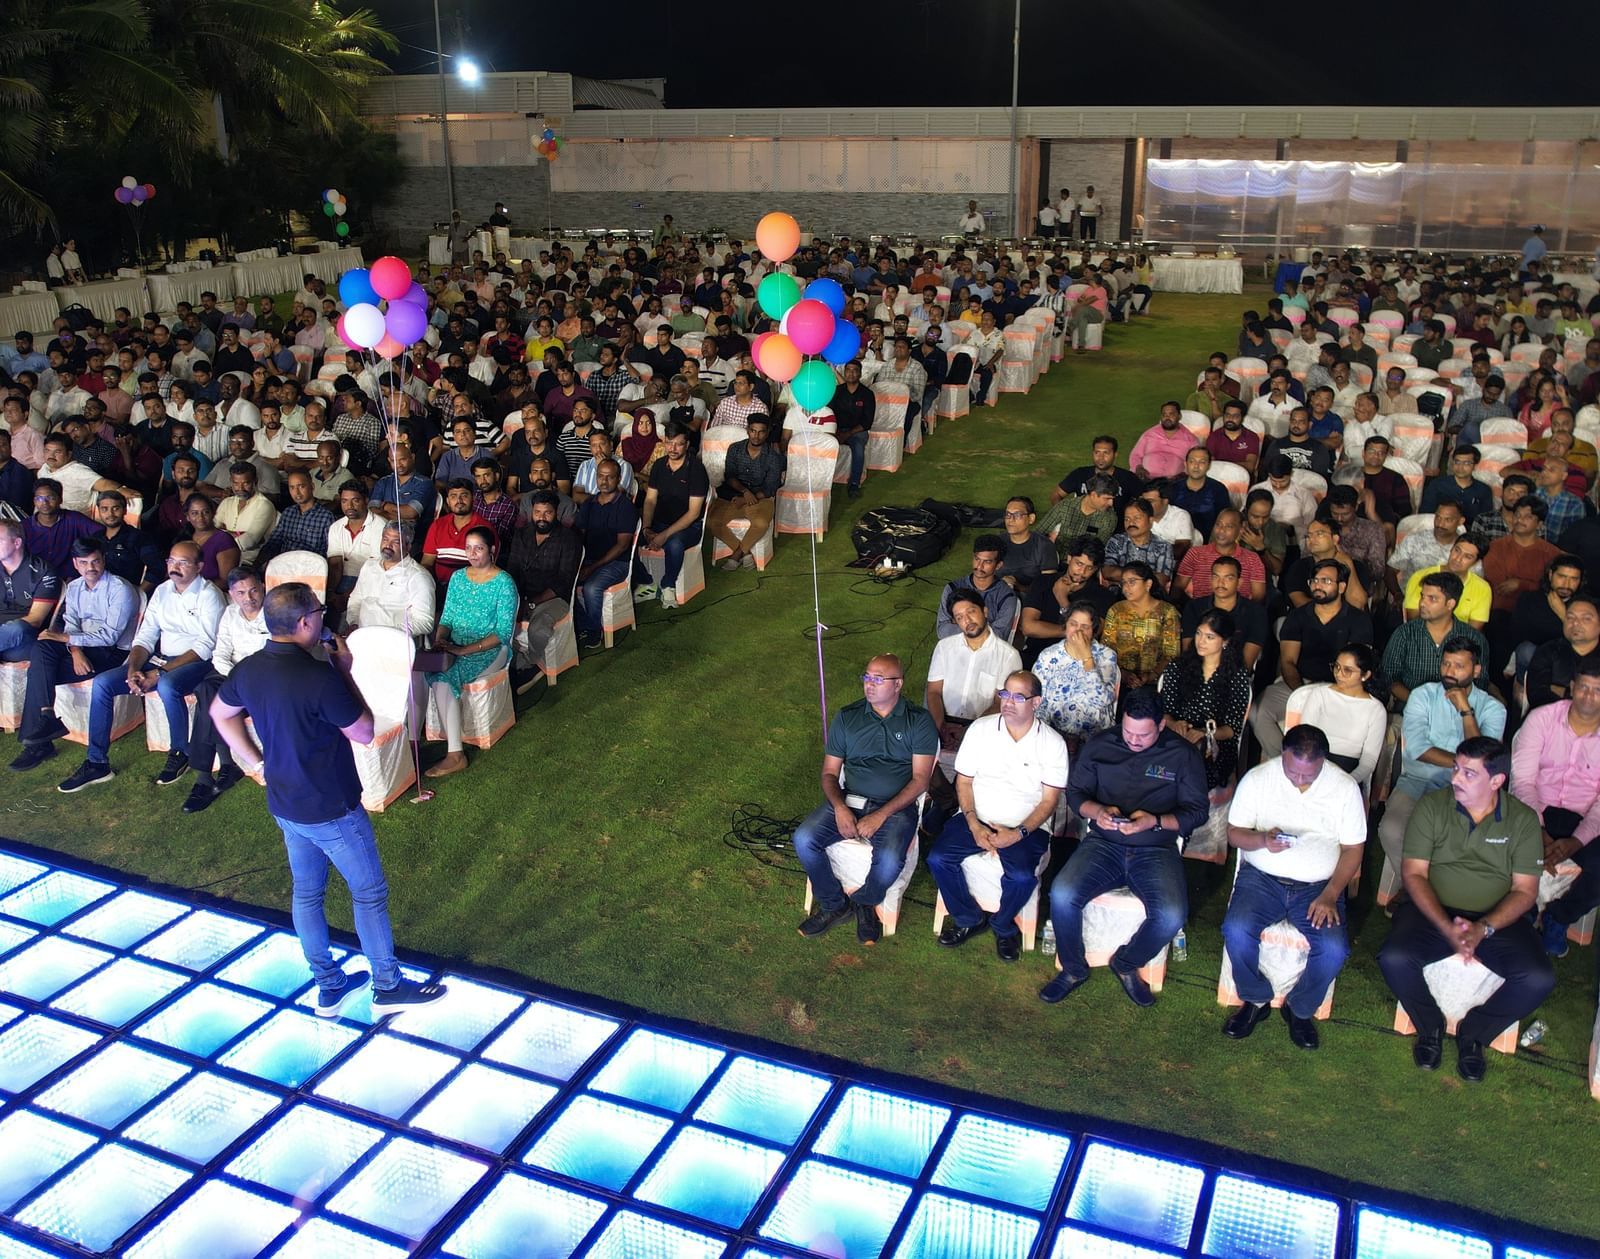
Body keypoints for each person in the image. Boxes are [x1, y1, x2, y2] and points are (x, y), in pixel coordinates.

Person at [210, 582, 446, 1017]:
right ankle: (388, 986)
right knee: (369, 893)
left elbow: (219, 714)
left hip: (285, 802)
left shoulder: (248, 669)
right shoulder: (319, 677)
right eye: (318, 612)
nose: (322, 618)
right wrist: (344, 671)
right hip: (331, 806)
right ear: (304, 623)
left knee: (307, 894)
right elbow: (364, 730)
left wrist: (254, 763)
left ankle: (330, 986)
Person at [1377, 736, 1553, 1082]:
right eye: (1456, 768)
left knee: (1537, 978)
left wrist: (1482, 928)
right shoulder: (1432, 806)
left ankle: (1474, 1035)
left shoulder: (1522, 819)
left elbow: (1524, 891)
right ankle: (1429, 1027)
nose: (1456, 777)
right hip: (1434, 911)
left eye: (1469, 773)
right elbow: (1413, 874)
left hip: (1497, 919)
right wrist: (1446, 927)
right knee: (1394, 958)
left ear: (1497, 781)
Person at [1040, 688, 1207, 1007]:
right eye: (1128, 731)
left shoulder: (1182, 754)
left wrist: (1155, 822)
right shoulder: (1101, 744)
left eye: (1143, 735)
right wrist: (1097, 812)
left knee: (1171, 914)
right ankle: (1073, 969)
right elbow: (1076, 793)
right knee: (1062, 894)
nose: (1133, 740)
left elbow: (1196, 812)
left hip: (1155, 848)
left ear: (1160, 726)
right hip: (1104, 842)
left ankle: (1127, 962)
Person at [1222, 724, 1366, 1049]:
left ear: (1323, 764)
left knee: (1333, 949)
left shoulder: (1344, 788)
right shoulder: (1259, 778)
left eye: (1308, 776)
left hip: (1317, 886)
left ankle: (1300, 1009)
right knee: (1236, 928)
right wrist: (1261, 840)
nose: (1299, 781)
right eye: (1293, 772)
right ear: (1282, 755)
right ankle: (1255, 999)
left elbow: (1354, 848)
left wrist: (1331, 894)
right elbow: (1234, 833)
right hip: (1262, 879)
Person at [57, 540, 225, 793]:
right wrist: (133, 668)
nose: (174, 567)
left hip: (198, 661)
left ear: (199, 566)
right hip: (161, 656)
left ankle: (180, 751)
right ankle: (97, 762)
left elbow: (206, 646)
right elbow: (146, 635)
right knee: (104, 683)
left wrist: (157, 673)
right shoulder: (163, 590)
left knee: (168, 685)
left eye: (183, 562)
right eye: (171, 561)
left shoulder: (209, 595)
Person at [794, 655, 938, 945]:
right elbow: (829, 773)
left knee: (888, 859)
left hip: (896, 808)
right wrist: (839, 807)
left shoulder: (918, 721)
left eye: (878, 679)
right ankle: (835, 905)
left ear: (898, 684)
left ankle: (864, 903)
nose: (869, 685)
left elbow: (921, 779)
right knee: (803, 838)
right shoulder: (848, 717)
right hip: (851, 799)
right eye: (867, 677)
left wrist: (881, 815)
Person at [927, 669, 1069, 962]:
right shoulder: (981, 729)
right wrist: (973, 824)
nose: (1008, 702)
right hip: (976, 816)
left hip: (1026, 827)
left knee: (1020, 877)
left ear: (1036, 702)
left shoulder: (1052, 743)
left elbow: (1049, 801)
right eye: (1005, 694)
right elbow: (963, 782)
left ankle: (1003, 925)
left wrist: (1017, 834)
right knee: (938, 858)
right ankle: (967, 918)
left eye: (1019, 696)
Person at [1378, 637, 1507, 882]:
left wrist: (1466, 711)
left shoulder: (1493, 709)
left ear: (1476, 670)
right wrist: (1466, 766)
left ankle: (1424, 890)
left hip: (1465, 788)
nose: (1449, 671)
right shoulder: (1422, 695)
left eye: (1459, 666)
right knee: (1391, 829)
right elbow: (1418, 749)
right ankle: (1417, 887)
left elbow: (1483, 758)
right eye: (1446, 664)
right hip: (1416, 779)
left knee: (1451, 838)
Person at [7, 538, 136, 772]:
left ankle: (38, 744)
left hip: (112, 653)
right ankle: (46, 717)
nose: (90, 568)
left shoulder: (120, 589)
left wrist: (68, 640)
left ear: (103, 560)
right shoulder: (75, 587)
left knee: (40, 672)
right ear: (76, 564)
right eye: (84, 563)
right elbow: (71, 624)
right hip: (82, 647)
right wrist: (75, 650)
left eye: (96, 561)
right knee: (41, 648)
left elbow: (109, 637)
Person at [421, 525, 517, 778]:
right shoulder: (458, 577)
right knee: (424, 666)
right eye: (468, 548)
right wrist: (441, 640)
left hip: (490, 648)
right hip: (455, 644)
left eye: (479, 548)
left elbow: (503, 633)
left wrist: (463, 650)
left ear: (492, 550)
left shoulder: (504, 582)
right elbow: (448, 616)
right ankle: (420, 737)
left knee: (445, 674)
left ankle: (455, 755)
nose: (473, 554)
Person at [1254, 558, 1374, 760]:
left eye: (1326, 581)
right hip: (1298, 685)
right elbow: (1288, 662)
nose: (1318, 585)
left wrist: (1330, 694)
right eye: (1314, 580)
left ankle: (1320, 769)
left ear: (1342, 587)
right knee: (1258, 712)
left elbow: (1356, 667)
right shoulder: (1298, 617)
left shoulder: (1358, 619)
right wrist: (1303, 693)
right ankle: (1286, 763)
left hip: (1340, 689)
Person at [178, 566, 271, 813]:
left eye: (253, 590)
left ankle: (205, 777)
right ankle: (223, 768)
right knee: (207, 688)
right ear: (231, 594)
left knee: (210, 697)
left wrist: (241, 681)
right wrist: (233, 678)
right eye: (241, 593)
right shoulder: (230, 613)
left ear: (262, 587)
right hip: (231, 674)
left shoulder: (273, 613)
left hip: (262, 678)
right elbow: (220, 653)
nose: (248, 598)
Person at [1157, 609, 1251, 791]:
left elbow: (1232, 729)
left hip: (1215, 743)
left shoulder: (1236, 676)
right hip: (1177, 735)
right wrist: (1175, 724)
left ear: (1225, 641)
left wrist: (1204, 733)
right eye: (1199, 634)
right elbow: (1165, 711)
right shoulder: (1177, 667)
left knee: (1195, 766)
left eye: (1210, 637)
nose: (1201, 641)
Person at [1382, 571, 1492, 707]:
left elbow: (1480, 683)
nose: (1422, 603)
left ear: (1450, 604)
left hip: (1458, 713)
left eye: (1432, 599)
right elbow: (1389, 678)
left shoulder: (1473, 638)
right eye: (1422, 597)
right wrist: (1420, 702)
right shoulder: (1405, 633)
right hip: (1411, 708)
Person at [1284, 644, 1387, 785]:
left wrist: (1347, 783)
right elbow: (1303, 739)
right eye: (1337, 667)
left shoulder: (1376, 709)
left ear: (1365, 675)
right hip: (1314, 762)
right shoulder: (1320, 695)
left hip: (1348, 771)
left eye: (1347, 671)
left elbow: (1368, 761)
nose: (1339, 674)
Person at [504, 490, 582, 674]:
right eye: (537, 512)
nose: (541, 518)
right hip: (522, 594)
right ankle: (507, 659)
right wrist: (514, 599)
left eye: (547, 513)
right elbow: (513, 568)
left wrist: (531, 603)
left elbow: (563, 581)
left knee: (538, 629)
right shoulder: (522, 534)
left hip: (553, 598)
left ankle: (531, 663)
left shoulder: (569, 539)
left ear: (556, 513)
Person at [633, 424, 708, 608]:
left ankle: (668, 585)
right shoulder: (659, 466)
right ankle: (646, 581)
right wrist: (647, 528)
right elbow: (650, 501)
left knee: (674, 543)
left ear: (687, 444)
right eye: (669, 443)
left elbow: (693, 513)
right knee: (628, 537)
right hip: (659, 523)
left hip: (689, 527)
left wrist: (663, 535)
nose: (672, 449)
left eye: (678, 444)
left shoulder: (696, 470)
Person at [709, 416, 783, 571]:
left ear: (767, 433)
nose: (756, 436)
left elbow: (771, 487)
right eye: (753, 431)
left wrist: (747, 498)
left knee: (761, 523)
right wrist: (744, 491)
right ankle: (745, 553)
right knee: (711, 521)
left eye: (761, 432)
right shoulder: (735, 449)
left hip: (760, 498)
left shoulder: (773, 457)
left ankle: (736, 556)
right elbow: (729, 476)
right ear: (747, 430)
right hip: (732, 495)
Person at [345, 522, 437, 639]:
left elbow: (425, 622)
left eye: (396, 542)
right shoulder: (369, 566)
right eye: (385, 539)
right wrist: (354, 623)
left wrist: (390, 633)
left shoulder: (418, 576)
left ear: (408, 546)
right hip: (362, 637)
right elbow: (355, 600)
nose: (388, 545)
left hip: (395, 643)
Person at [1099, 562, 1179, 691]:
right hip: (1119, 681)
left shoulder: (1167, 611)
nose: (1126, 587)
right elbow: (1106, 648)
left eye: (1132, 582)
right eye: (1123, 582)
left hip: (1155, 684)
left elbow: (1171, 653)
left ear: (1148, 584)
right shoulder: (1116, 610)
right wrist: (1123, 674)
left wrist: (1151, 676)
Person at [1523, 594, 1600, 711]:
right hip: (1551, 721)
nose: (1576, 623)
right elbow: (1538, 695)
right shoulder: (1548, 651)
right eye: (1570, 617)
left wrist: (1565, 692)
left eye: (1586, 619)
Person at [936, 535, 1018, 642]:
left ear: (998, 565)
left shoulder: (1007, 597)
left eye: (987, 562)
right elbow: (942, 630)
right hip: (955, 650)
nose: (979, 566)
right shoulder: (952, 588)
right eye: (977, 559)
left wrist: (959, 623)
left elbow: (998, 636)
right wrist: (986, 627)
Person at [0, 519, 61, 663]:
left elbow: (35, 620)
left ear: (16, 543)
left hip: (24, 636)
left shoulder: (43, 571)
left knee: (18, 629)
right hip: (6, 644)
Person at [1402, 533, 1491, 631]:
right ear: (1451, 549)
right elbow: (1413, 620)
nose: (1458, 559)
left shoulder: (1482, 588)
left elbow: (1473, 630)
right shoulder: (1420, 577)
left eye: (1467, 557)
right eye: (1457, 550)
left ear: (1476, 562)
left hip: (1459, 642)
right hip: (1421, 637)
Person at [1129, 403, 1198, 481]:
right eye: (1164, 414)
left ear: (1179, 416)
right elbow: (1135, 455)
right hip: (1145, 479)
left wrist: (1183, 474)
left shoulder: (1190, 439)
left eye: (1171, 414)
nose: (1167, 417)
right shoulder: (1149, 434)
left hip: (1174, 482)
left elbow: (1196, 460)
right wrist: (1138, 467)